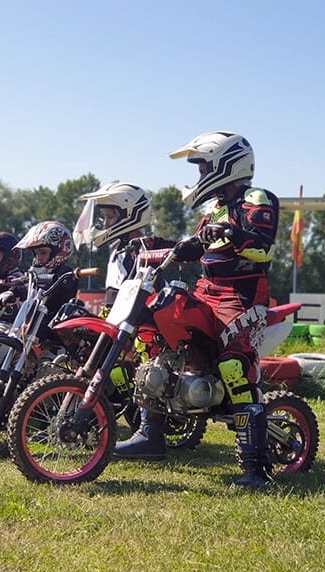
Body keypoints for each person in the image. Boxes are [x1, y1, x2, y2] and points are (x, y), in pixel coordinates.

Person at [114, 130, 279, 488]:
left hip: (242, 293)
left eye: (205, 167)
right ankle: (150, 434)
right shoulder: (215, 210)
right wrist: (155, 246)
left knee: (235, 365)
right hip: (207, 289)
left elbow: (263, 244)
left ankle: (256, 468)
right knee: (160, 335)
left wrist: (234, 233)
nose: (201, 176)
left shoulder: (257, 198)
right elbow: (194, 249)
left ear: (226, 165)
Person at [75, 181, 153, 311]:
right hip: (111, 313)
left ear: (130, 215)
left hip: (132, 320)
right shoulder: (116, 246)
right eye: (104, 217)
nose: (105, 224)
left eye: (110, 217)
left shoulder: (145, 248)